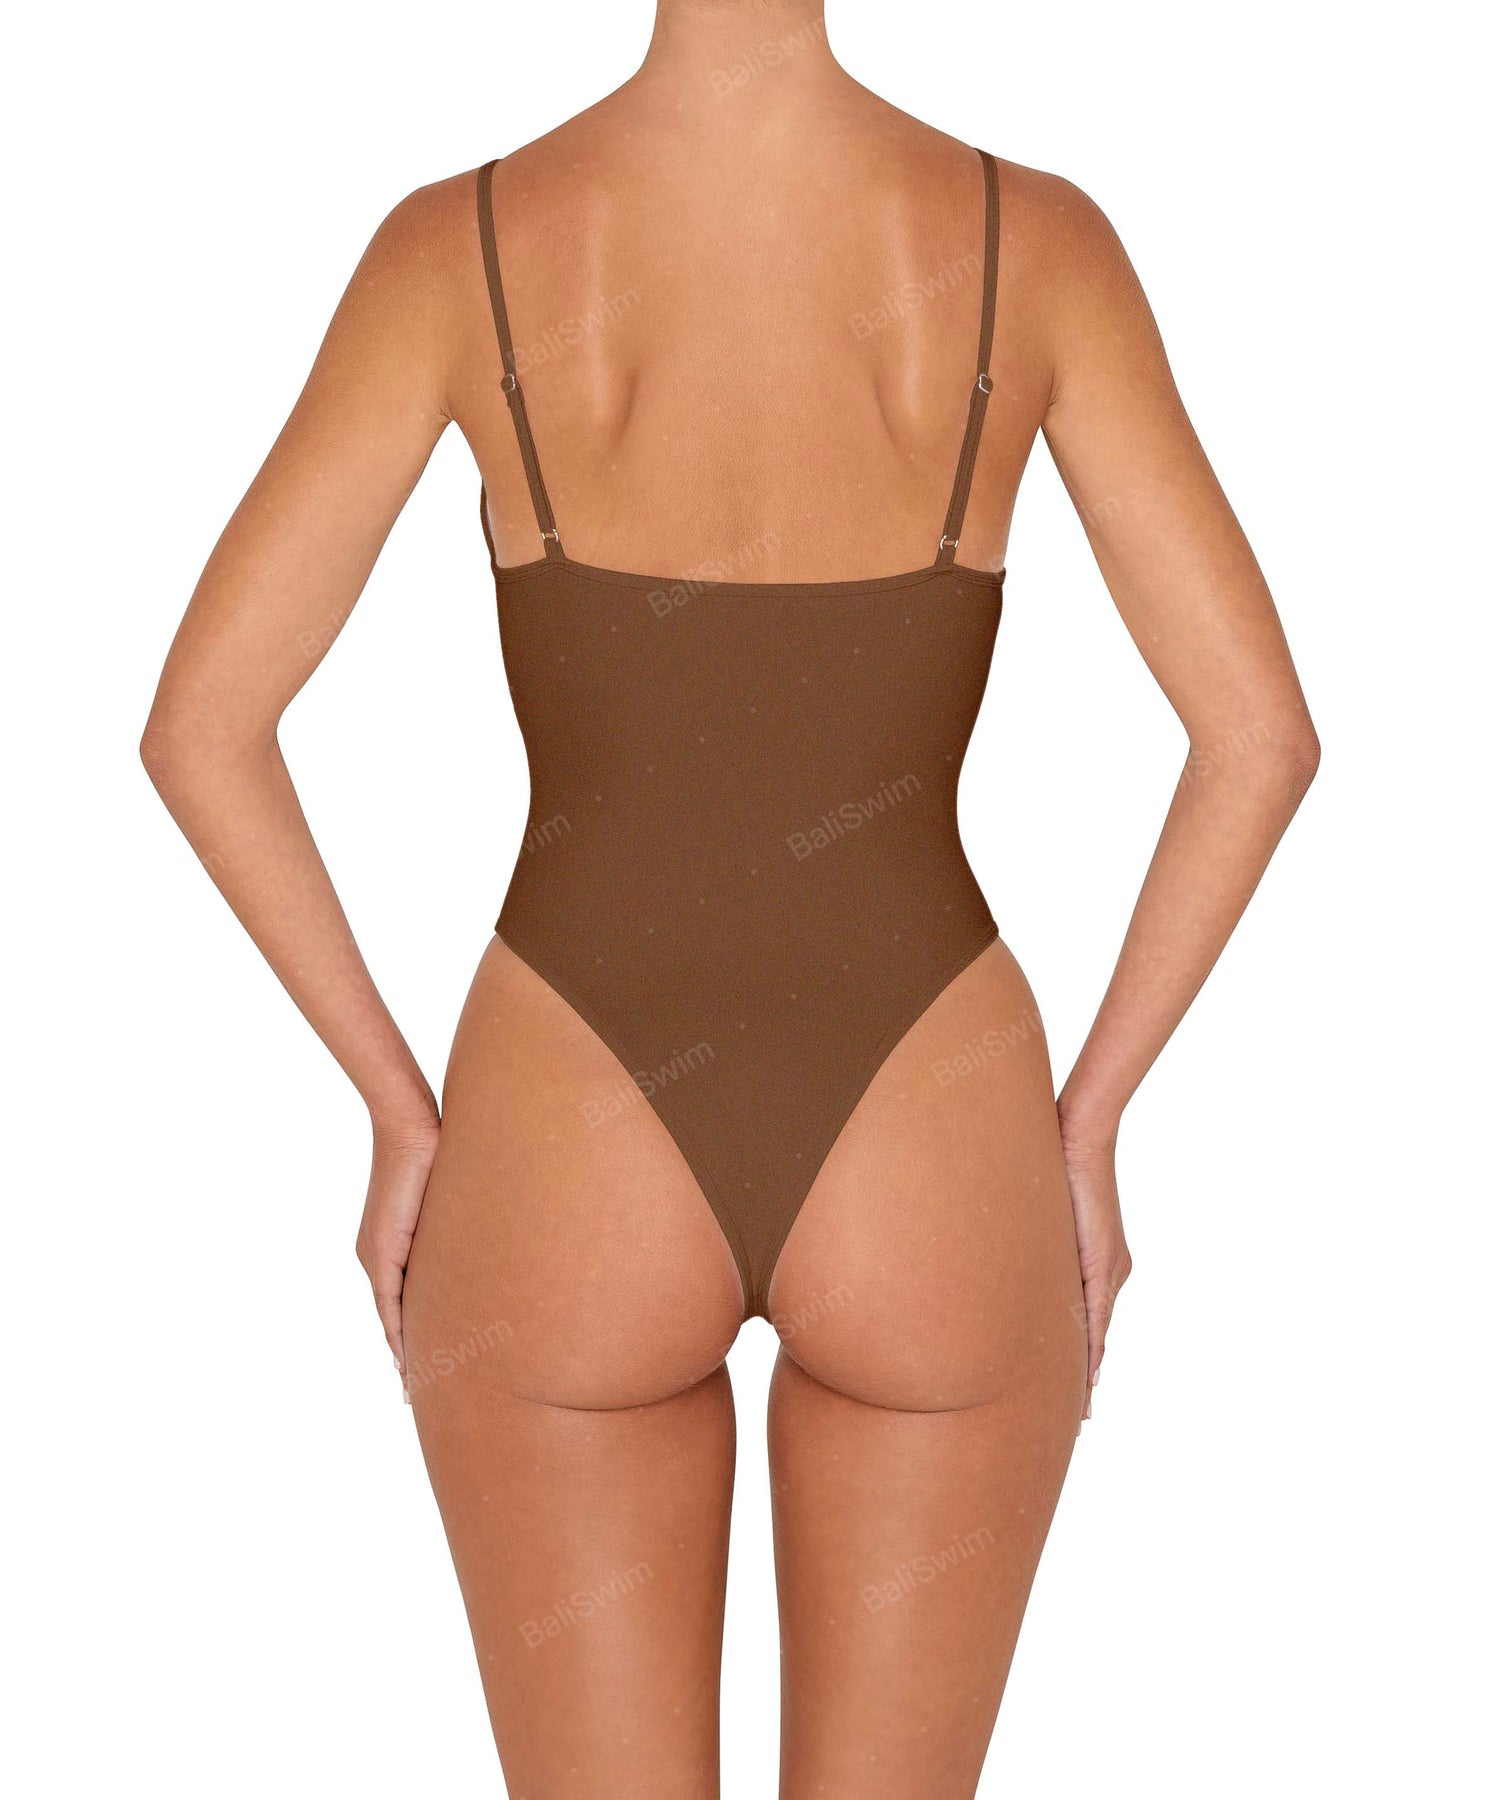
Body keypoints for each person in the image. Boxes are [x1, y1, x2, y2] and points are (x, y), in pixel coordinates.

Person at [142, 2, 1319, 1792]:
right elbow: (1260, 738)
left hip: (568, 1126)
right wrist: (1086, 1128)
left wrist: (397, 1112)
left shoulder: (464, 246)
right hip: (932, 1124)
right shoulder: (1034, 243)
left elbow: (201, 729)